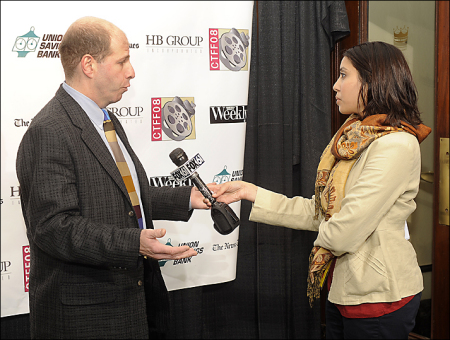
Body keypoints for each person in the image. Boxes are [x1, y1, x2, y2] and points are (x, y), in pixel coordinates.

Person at [209, 41, 431, 339]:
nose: (335, 86)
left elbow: (343, 231)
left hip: (380, 300)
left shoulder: (395, 145)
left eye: (344, 75)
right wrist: (249, 192)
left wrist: (325, 226)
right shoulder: (353, 134)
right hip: (343, 292)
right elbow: (322, 212)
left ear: (372, 80)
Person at [16, 17, 208, 339]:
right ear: (89, 65)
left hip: (132, 303)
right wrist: (134, 243)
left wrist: (189, 197)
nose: (131, 71)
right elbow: (53, 228)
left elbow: (123, 195)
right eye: (122, 61)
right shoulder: (49, 131)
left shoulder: (105, 118)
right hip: (86, 318)